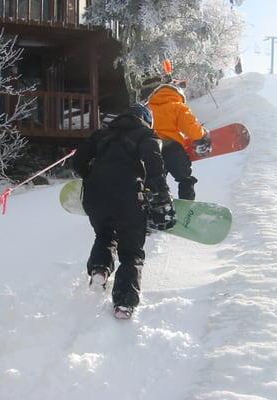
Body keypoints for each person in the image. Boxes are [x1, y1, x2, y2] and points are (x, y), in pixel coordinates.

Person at [72, 104, 175, 319]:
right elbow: (155, 165)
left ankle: (99, 270)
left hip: (95, 197)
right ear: (146, 119)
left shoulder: (101, 135)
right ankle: (123, 303)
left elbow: (78, 160)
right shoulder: (146, 135)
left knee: (104, 234)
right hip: (128, 198)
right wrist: (162, 196)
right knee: (131, 252)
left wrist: (91, 177)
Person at [147, 84, 212, 200]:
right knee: (184, 178)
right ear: (178, 95)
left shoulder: (149, 109)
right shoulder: (178, 107)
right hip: (171, 148)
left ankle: (156, 203)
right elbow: (189, 127)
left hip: (151, 149)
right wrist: (202, 135)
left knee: (155, 181)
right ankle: (187, 203)